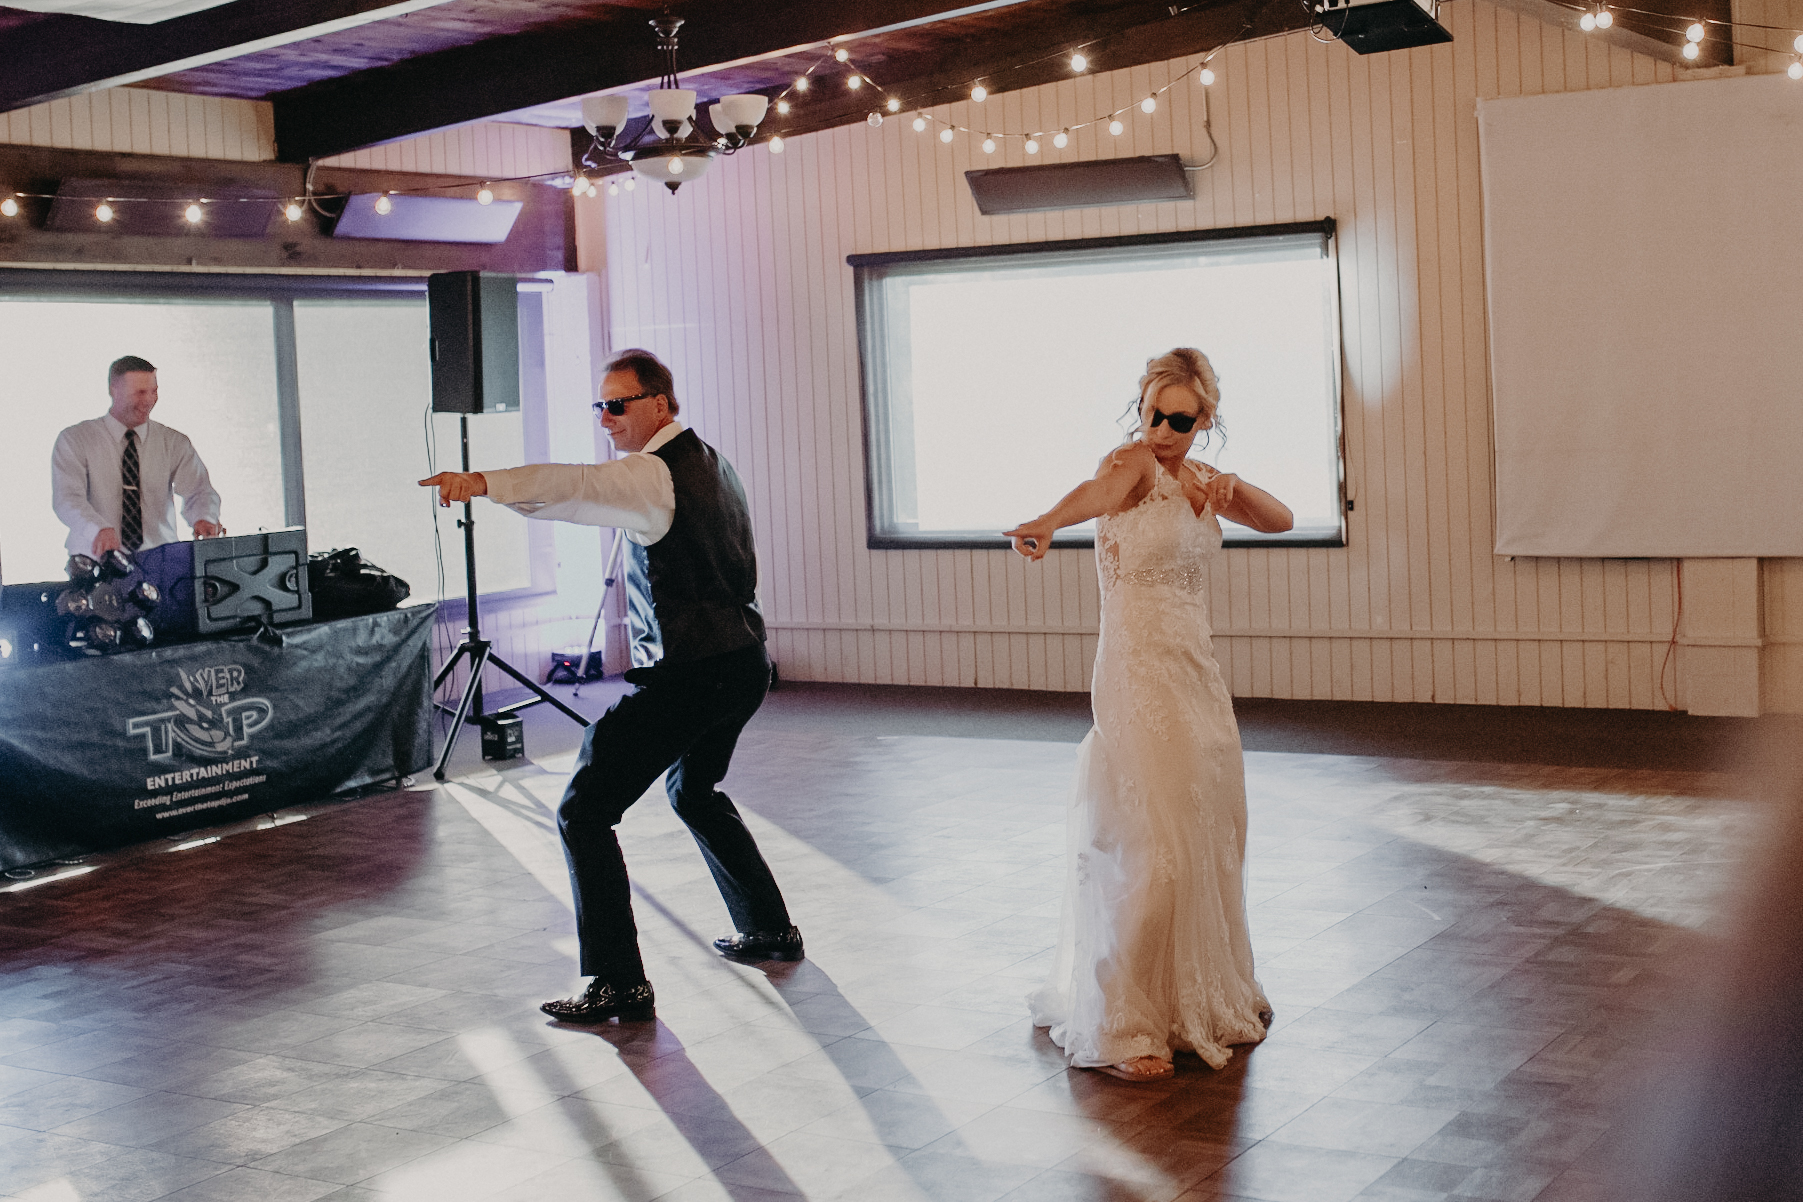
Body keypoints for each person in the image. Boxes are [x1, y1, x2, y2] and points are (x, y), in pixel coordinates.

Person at [420, 348, 800, 1024]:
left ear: (658, 403)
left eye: (616, 404)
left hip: (698, 673)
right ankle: (768, 929)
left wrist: (482, 481)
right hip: (742, 661)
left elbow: (576, 486)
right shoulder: (711, 462)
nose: (605, 417)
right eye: (599, 405)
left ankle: (615, 981)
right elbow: (586, 500)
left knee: (583, 811)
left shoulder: (652, 472)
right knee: (695, 790)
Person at [1006, 348, 1293, 1082]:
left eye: (1179, 419)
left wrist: (1233, 485)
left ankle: (1201, 991)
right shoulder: (1131, 464)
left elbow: (1279, 519)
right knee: (1155, 841)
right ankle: (1125, 1019)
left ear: (1204, 420)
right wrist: (1044, 520)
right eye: (1151, 413)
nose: (1161, 429)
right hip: (1136, 670)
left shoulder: (1200, 479)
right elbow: (1094, 494)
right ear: (1139, 410)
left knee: (1211, 826)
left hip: (1194, 670)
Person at [51, 355, 223, 560]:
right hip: (94, 561)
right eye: (140, 392)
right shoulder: (75, 439)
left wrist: (203, 518)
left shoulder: (175, 442)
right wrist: (97, 529)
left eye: (154, 391)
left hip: (162, 561)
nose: (149, 400)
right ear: (113, 390)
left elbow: (199, 490)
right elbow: (67, 499)